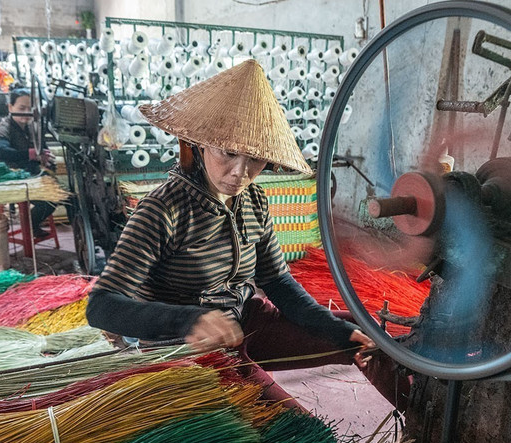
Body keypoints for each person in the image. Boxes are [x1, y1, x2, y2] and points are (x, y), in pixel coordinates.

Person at [85, 59, 409, 411]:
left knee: (369, 338)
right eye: (228, 152)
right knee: (294, 427)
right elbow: (102, 307)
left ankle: (422, 429)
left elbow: (277, 281)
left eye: (255, 158)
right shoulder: (162, 210)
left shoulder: (253, 200)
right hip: (189, 349)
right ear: (198, 144)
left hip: (245, 322)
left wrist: (334, 330)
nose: (240, 172)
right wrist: (190, 319)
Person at [0, 88, 56, 236]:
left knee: (66, 195)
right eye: (22, 108)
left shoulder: (32, 126)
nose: (26, 112)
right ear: (10, 107)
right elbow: (2, 152)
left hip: (32, 174)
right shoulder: (4, 128)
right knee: (49, 201)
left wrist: (47, 159)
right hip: (14, 176)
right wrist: (30, 154)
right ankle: (30, 225)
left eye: (30, 109)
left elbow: (42, 148)